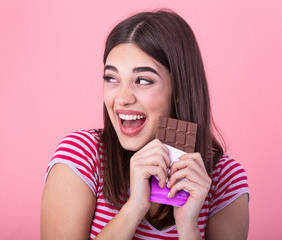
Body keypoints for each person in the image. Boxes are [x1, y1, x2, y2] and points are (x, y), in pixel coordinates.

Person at [41, 9, 249, 240]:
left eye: (142, 80)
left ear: (179, 90)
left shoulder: (224, 179)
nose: (121, 98)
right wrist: (134, 208)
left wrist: (188, 226)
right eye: (112, 78)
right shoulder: (81, 156)